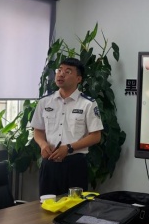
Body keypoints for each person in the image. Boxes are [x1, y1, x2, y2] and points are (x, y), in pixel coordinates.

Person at [31, 58, 103, 196]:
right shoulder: (45, 102)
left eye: (68, 71)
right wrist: (43, 145)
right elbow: (38, 131)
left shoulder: (87, 104)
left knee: (74, 206)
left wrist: (69, 148)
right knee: (47, 204)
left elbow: (96, 136)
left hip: (74, 164)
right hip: (49, 163)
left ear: (78, 79)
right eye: (59, 70)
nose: (61, 74)